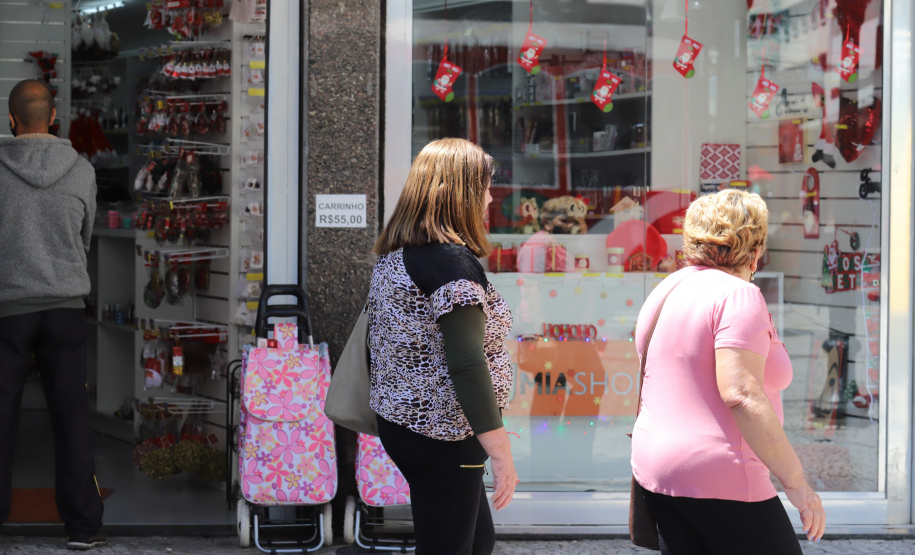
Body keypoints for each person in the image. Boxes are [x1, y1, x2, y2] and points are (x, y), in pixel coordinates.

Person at [630, 189, 826, 554]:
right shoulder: (738, 296)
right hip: (723, 472)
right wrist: (797, 484)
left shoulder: (667, 288)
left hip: (656, 470)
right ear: (755, 248)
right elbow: (743, 395)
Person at [369, 138, 518, 555]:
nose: (491, 197)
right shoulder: (449, 263)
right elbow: (467, 363)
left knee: (475, 541)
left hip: (407, 425)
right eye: (485, 187)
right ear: (462, 194)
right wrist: (501, 451)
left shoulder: (397, 254)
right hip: (445, 433)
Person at [0, 80, 105, 550]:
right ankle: (83, 527)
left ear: (11, 120)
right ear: (54, 119)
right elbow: (85, 237)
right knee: (72, 418)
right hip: (64, 309)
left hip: (9, 310)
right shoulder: (81, 169)